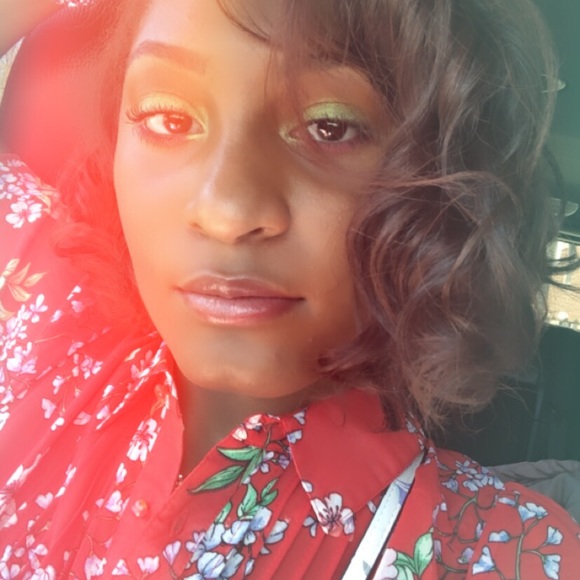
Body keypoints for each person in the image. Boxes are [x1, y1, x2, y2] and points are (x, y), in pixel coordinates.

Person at [0, 0, 579, 577]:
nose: (226, 212)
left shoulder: (511, 554)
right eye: (169, 119)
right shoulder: (33, 296)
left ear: (443, 192)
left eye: (330, 128)